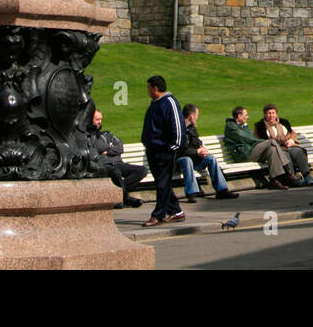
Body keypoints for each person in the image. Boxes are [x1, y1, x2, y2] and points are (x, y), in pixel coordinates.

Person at [140, 75, 186, 227]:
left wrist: (172, 148)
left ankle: (158, 215)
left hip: (164, 150)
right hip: (153, 150)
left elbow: (178, 127)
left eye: (148, 88)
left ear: (155, 88)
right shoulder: (155, 104)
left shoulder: (169, 102)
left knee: (162, 183)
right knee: (162, 183)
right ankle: (176, 211)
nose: (147, 91)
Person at [177, 104, 240, 201]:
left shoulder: (192, 128)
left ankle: (222, 190)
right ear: (191, 116)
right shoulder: (178, 129)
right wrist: (197, 151)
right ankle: (191, 193)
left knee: (211, 158)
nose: (197, 118)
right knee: (187, 159)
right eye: (197, 115)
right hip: (180, 162)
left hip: (195, 161)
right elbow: (180, 149)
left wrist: (201, 148)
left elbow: (197, 141)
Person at [223, 106, 298, 189]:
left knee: (272, 150)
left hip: (249, 151)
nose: (247, 117)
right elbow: (247, 138)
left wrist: (259, 141)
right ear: (239, 116)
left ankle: (274, 180)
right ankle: (288, 172)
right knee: (272, 142)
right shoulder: (231, 126)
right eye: (246, 115)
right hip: (243, 155)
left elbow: (250, 139)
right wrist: (263, 141)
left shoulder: (243, 126)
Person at [92, 109, 147, 209]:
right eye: (97, 119)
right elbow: (98, 147)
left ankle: (117, 196)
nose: (100, 122)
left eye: (101, 119)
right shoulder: (89, 137)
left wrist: (107, 151)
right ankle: (126, 198)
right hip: (104, 165)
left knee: (142, 170)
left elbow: (120, 147)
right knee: (116, 172)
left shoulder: (107, 134)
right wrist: (109, 146)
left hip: (118, 163)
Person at [255, 103, 313, 185]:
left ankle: (307, 176)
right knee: (285, 155)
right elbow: (260, 141)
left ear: (276, 114)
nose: (271, 115)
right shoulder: (260, 127)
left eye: (273, 113)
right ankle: (292, 178)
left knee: (298, 151)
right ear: (265, 115)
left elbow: (292, 133)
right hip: (275, 150)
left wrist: (292, 141)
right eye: (269, 113)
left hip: (287, 145)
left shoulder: (283, 123)